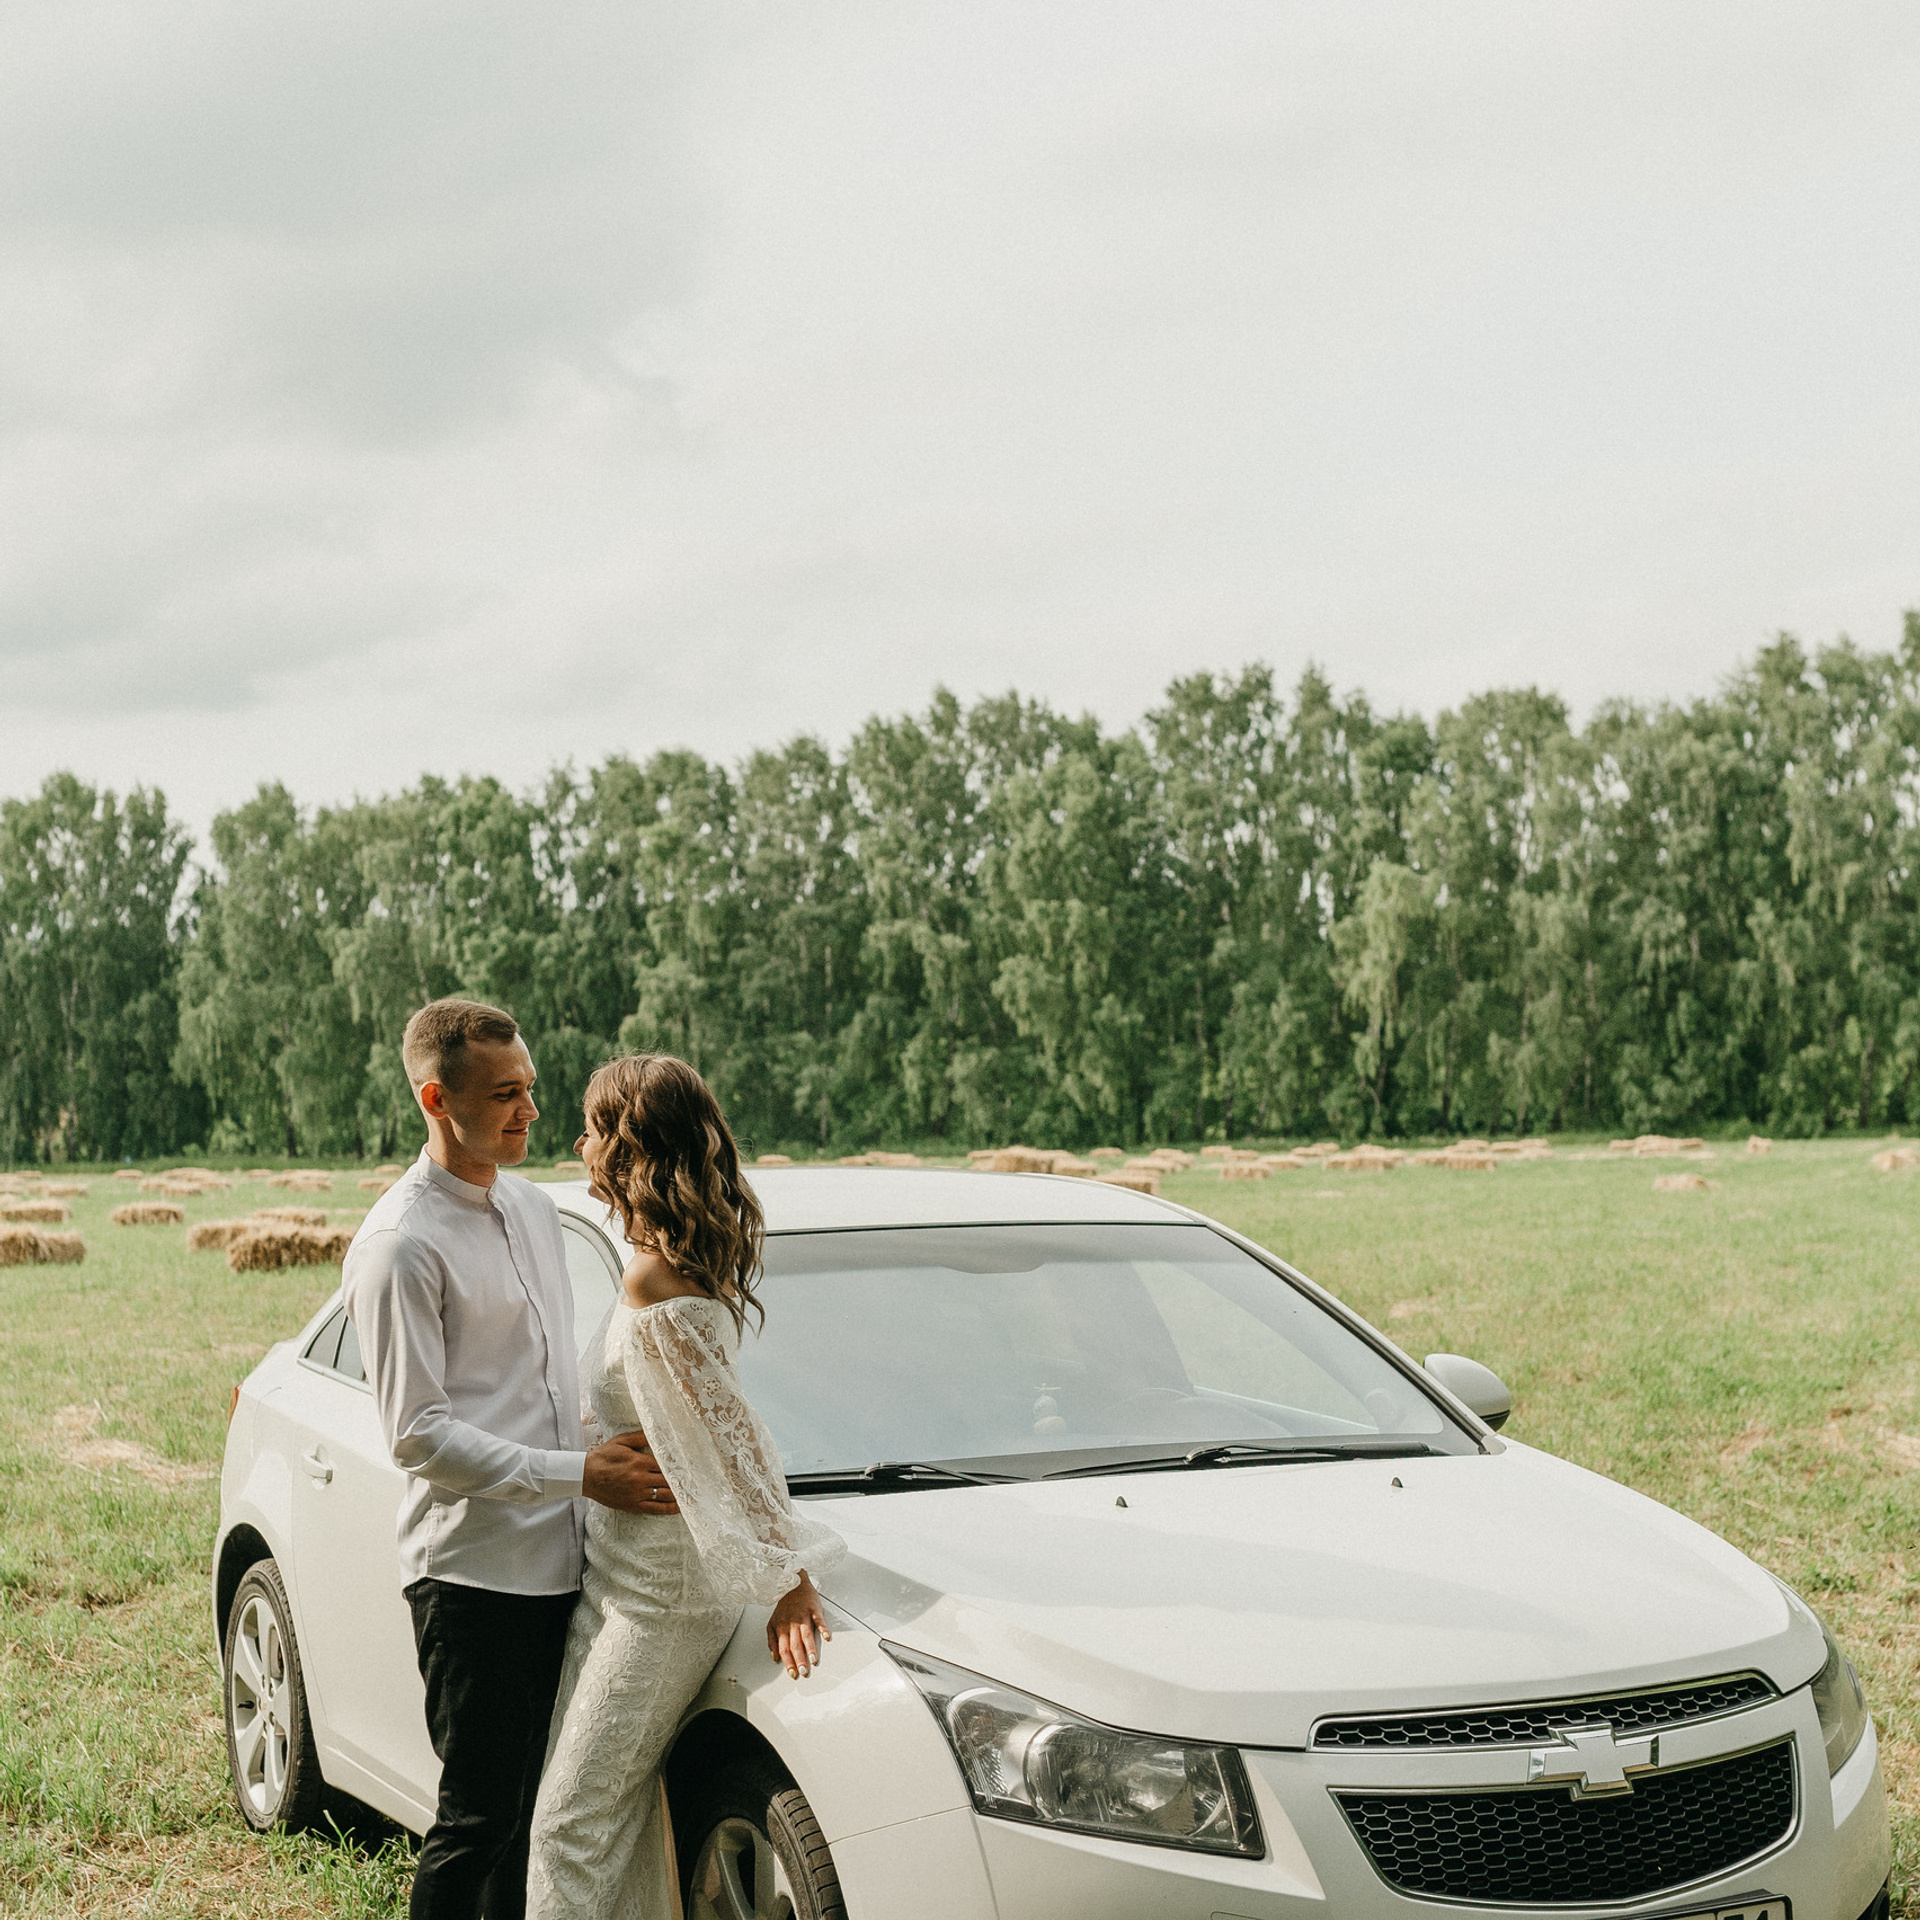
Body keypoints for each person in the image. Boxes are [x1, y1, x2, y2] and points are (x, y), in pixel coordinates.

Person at [345, 999, 683, 1920]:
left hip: (570, 1565)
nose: (531, 1111)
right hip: (474, 1578)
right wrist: (584, 1474)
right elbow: (417, 1433)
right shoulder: (398, 1245)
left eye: (531, 1088)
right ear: (435, 1098)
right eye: (505, 1095)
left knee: (545, 1817)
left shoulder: (535, 1209)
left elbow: (550, 1385)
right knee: (482, 1820)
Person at [525, 1053, 844, 1920]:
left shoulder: (653, 1278)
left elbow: (738, 1442)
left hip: (664, 1595)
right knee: (612, 1810)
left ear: (628, 1144)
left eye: (592, 1127)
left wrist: (790, 1578)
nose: (578, 1141)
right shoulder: (652, 1260)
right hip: (620, 1573)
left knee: (568, 1820)